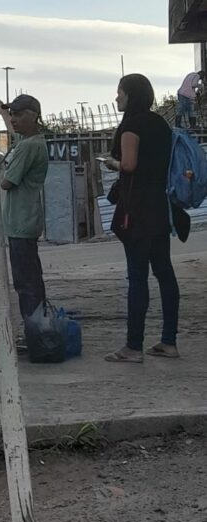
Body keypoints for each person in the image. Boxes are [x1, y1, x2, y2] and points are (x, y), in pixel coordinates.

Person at [103, 74, 179, 364]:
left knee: (137, 276)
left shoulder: (132, 126)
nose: (117, 98)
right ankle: (169, 341)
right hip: (160, 204)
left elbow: (130, 165)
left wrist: (113, 163)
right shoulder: (161, 124)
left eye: (119, 93)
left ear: (130, 95)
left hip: (137, 209)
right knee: (164, 271)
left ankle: (133, 346)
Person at [0, 95, 49, 319]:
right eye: (12, 114)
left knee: (25, 283)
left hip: (21, 222)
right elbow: (15, 132)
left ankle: (34, 330)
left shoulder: (27, 147)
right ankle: (38, 326)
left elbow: (6, 182)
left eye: (18, 114)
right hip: (25, 221)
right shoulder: (34, 141)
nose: (14, 119)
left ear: (33, 116)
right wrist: (3, 114)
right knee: (31, 279)